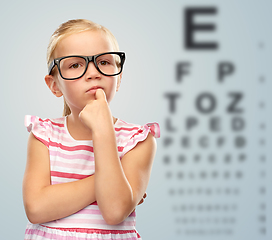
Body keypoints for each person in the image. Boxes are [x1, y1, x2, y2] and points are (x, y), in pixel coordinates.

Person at [23, 19, 160, 240]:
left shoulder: (138, 140)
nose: (93, 73)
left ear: (119, 77)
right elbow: (36, 209)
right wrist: (112, 180)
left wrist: (103, 129)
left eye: (104, 62)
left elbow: (115, 211)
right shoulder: (43, 135)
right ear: (54, 85)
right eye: (75, 65)